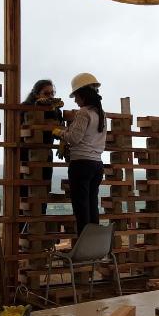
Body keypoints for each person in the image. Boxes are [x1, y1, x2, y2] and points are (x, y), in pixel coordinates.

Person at [53, 73, 106, 236]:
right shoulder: (101, 113)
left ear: (83, 94)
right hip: (97, 165)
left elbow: (74, 138)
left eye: (76, 96)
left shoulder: (83, 113)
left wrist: (60, 133)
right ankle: (94, 243)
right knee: (91, 205)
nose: (75, 100)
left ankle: (84, 243)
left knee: (81, 208)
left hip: (81, 165)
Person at [20, 80, 63, 222]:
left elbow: (58, 132)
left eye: (52, 93)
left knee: (42, 193)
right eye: (46, 93)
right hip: (26, 157)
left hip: (45, 157)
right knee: (24, 194)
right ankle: (21, 230)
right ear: (36, 94)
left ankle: (38, 225)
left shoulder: (55, 110)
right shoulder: (25, 107)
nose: (50, 96)